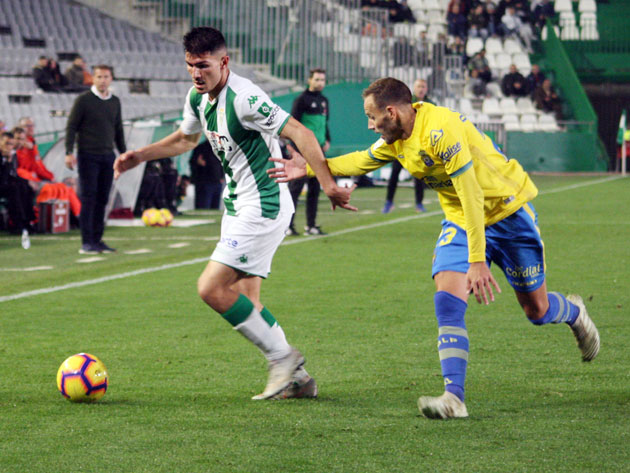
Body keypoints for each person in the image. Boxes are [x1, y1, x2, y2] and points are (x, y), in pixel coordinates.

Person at [269, 77, 600, 419]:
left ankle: (574, 312)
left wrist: (477, 259)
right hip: (460, 219)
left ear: (392, 112)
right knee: (447, 298)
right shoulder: (398, 138)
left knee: (538, 311)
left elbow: (472, 194)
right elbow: (360, 161)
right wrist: (308, 168)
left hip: (508, 213)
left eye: (372, 116)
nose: (369, 125)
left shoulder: (441, 130)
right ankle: (454, 398)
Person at [113, 27, 355, 400]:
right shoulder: (198, 98)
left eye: (204, 66)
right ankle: (300, 379)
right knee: (248, 300)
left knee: (210, 288)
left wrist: (326, 184)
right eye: (190, 65)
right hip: (237, 204)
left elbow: (302, 134)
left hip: (264, 204)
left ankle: (282, 358)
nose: (196, 73)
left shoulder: (245, 98)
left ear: (223, 62)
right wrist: (139, 156)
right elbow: (184, 139)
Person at [65, 64, 126, 254]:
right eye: (99, 77)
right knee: (89, 198)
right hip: (87, 155)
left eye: (106, 77)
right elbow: (71, 126)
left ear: (111, 79)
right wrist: (69, 152)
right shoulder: (83, 100)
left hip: (108, 156)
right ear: (92, 78)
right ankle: (86, 242)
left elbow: (118, 129)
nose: (102, 80)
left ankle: (98, 240)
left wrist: (123, 154)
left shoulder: (115, 101)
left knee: (103, 199)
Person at [285, 68, 331, 236]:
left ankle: (311, 226)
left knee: (314, 189)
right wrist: (295, 150)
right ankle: (288, 226)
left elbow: (324, 123)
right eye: (317, 79)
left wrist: (327, 140)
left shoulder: (324, 101)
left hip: (319, 151)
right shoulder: (301, 100)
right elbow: (293, 126)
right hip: (303, 151)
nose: (320, 83)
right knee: (295, 189)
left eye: (322, 80)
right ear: (309, 80)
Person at [382, 78, 430, 214]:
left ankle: (419, 204)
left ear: (426, 89)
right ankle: (389, 202)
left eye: (423, 86)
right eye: (419, 86)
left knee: (418, 175)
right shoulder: (406, 102)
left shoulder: (430, 104)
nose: (421, 89)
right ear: (414, 89)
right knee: (394, 174)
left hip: (419, 146)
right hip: (403, 144)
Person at [0, 132, 34, 249]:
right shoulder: (4, 156)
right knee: (14, 189)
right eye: (7, 143)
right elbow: (3, 177)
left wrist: (26, 181)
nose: (9, 147)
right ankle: (17, 223)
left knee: (26, 187)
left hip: (6, 184)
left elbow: (13, 174)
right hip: (2, 185)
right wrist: (7, 162)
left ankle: (28, 221)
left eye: (11, 144)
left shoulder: (13, 155)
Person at [190, 139, 224, 210]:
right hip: (204, 182)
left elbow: (222, 163)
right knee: (203, 206)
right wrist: (199, 163)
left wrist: (222, 176)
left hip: (217, 181)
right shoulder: (201, 147)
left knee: (215, 208)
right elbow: (193, 162)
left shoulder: (219, 147)